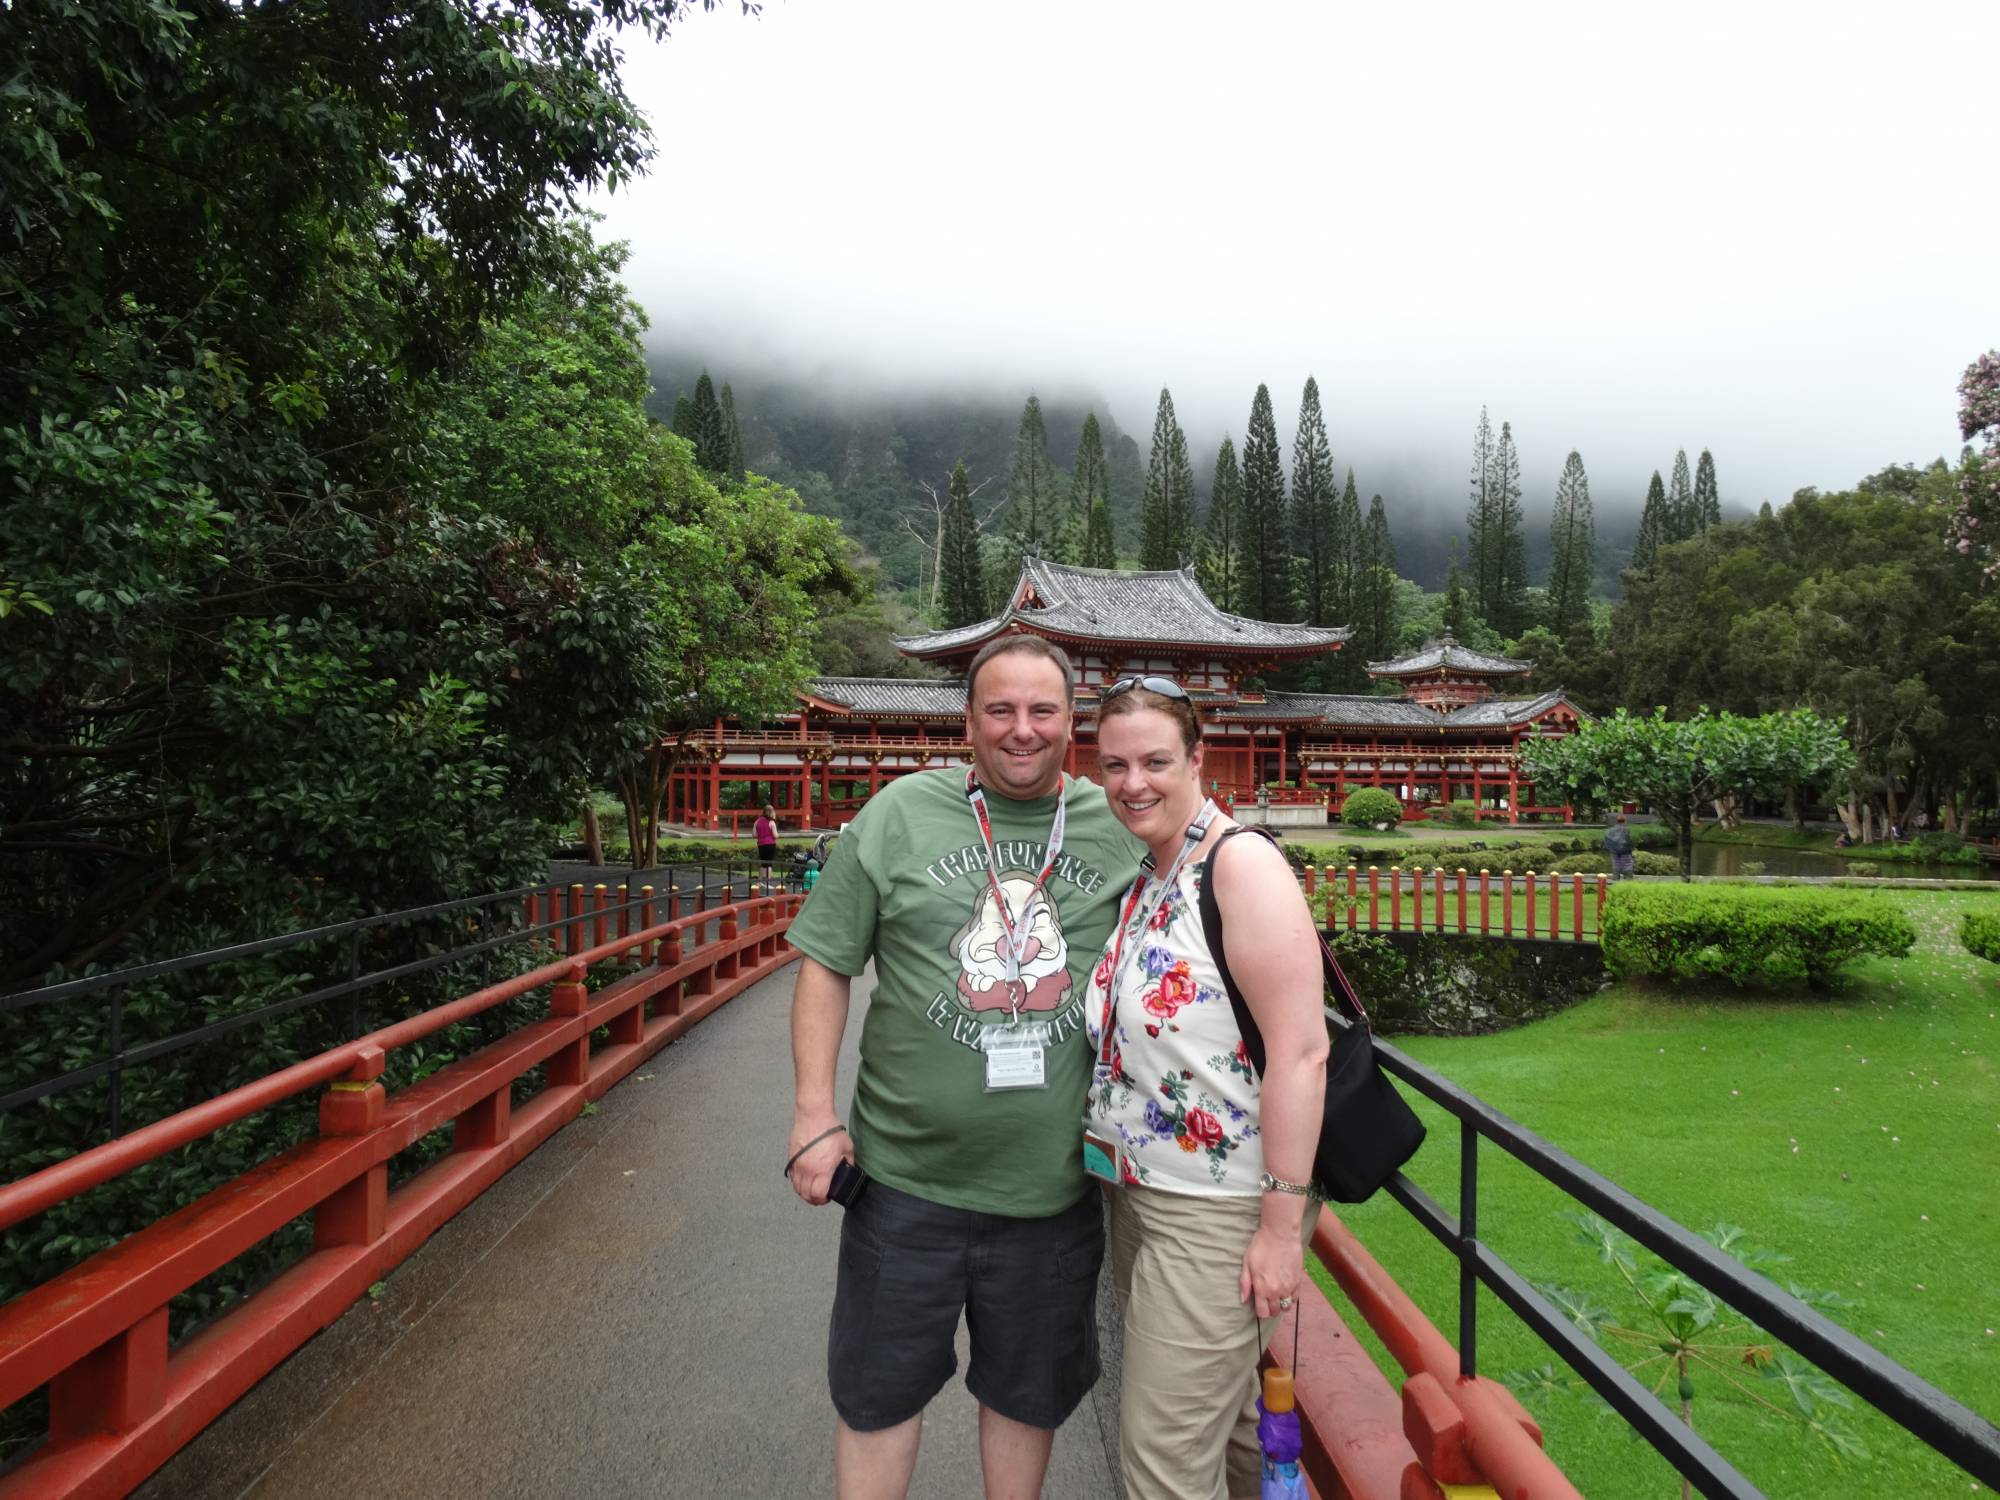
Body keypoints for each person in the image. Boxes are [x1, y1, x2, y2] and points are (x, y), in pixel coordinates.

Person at [785, 635, 1145, 1500]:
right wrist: (811, 1113)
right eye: (1001, 710)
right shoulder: (901, 812)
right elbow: (826, 962)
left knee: (1028, 1397)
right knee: (877, 1395)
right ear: (969, 721)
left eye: (1043, 711)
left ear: (1072, 724)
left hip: (1051, 1192)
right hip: (903, 1183)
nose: (1022, 730)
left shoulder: (1122, 824)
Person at [1082, 677, 1328, 1500]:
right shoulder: (1152, 874)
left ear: (1199, 758)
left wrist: (1280, 1227)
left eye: (1155, 760)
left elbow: (1300, 1052)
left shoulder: (1239, 865)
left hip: (1219, 1210)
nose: (1132, 783)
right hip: (1141, 1192)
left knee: (1160, 1463)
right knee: (1225, 1430)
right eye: (1114, 764)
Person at [1603, 812, 1636, 879]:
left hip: (1614, 850)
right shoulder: (1626, 829)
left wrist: (1609, 848)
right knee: (1627, 864)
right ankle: (1628, 879)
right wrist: (1631, 848)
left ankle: (1616, 878)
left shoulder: (1611, 830)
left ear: (1617, 821)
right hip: (1624, 850)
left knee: (1616, 863)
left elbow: (1606, 838)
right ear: (1624, 821)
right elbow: (1629, 840)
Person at [754, 801, 779, 877]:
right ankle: (768, 881)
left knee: (763, 863)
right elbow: (775, 835)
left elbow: (754, 834)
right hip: (770, 844)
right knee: (769, 863)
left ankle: (760, 880)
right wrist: (778, 835)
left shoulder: (757, 821)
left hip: (761, 844)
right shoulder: (771, 822)